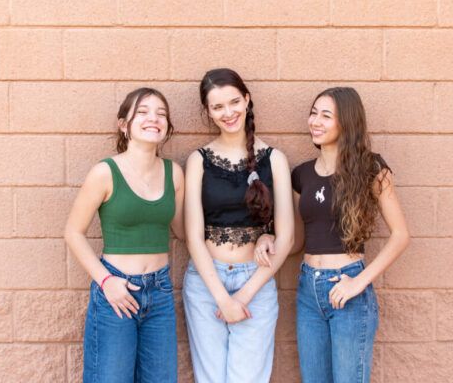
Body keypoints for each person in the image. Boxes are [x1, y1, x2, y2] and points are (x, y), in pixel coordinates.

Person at [255, 87, 410, 383]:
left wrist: (358, 282)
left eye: (326, 116)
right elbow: (297, 240)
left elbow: (401, 235)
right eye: (313, 113)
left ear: (347, 123)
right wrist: (269, 238)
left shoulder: (371, 168)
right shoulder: (300, 175)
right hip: (308, 289)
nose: (315, 121)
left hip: (348, 287)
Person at [64, 88, 185, 383]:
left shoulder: (174, 174)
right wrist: (106, 282)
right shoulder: (105, 172)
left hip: (160, 291)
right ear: (124, 124)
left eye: (161, 113)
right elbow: (73, 232)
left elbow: (183, 232)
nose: (153, 118)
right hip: (116, 291)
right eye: (142, 112)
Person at [182, 68, 294, 383]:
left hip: (256, 281)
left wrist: (243, 297)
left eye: (234, 102)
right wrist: (221, 298)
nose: (228, 112)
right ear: (206, 111)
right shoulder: (198, 160)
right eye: (217, 107)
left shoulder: (274, 160)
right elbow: (193, 236)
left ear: (246, 99)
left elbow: (287, 237)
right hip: (206, 283)